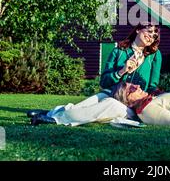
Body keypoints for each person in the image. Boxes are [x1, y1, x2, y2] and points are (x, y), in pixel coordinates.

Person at [29, 22, 162, 126]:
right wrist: (122, 71)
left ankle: (57, 119)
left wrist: (149, 101)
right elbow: (104, 82)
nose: (151, 36)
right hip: (111, 92)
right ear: (138, 29)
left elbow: (153, 85)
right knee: (84, 104)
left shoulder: (155, 56)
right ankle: (52, 113)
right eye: (149, 31)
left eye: (155, 35)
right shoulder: (119, 51)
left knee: (109, 105)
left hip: (133, 103)